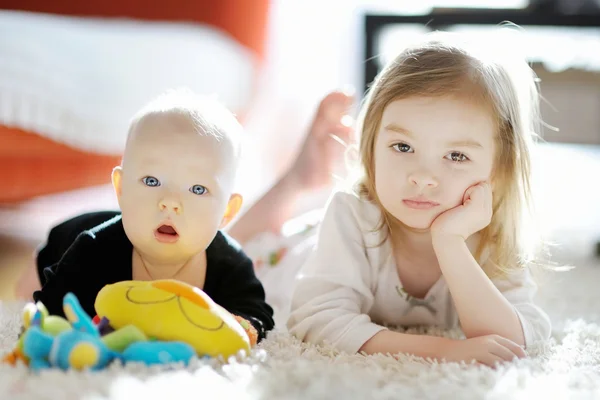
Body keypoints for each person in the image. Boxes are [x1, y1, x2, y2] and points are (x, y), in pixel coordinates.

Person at [286, 31, 553, 367]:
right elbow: (316, 319)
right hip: (292, 254)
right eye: (403, 147)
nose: (423, 177)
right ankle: (295, 180)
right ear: (371, 148)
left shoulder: (493, 234)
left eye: (456, 156)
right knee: (241, 247)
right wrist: (445, 351)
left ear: (498, 170)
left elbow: (513, 339)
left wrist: (450, 243)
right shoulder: (351, 214)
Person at [30, 89, 274, 342]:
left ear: (227, 211)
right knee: (25, 290)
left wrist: (237, 326)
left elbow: (258, 315)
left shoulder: (229, 264)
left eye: (197, 189)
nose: (170, 202)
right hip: (61, 244)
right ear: (121, 189)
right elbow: (51, 308)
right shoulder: (93, 250)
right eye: (152, 181)